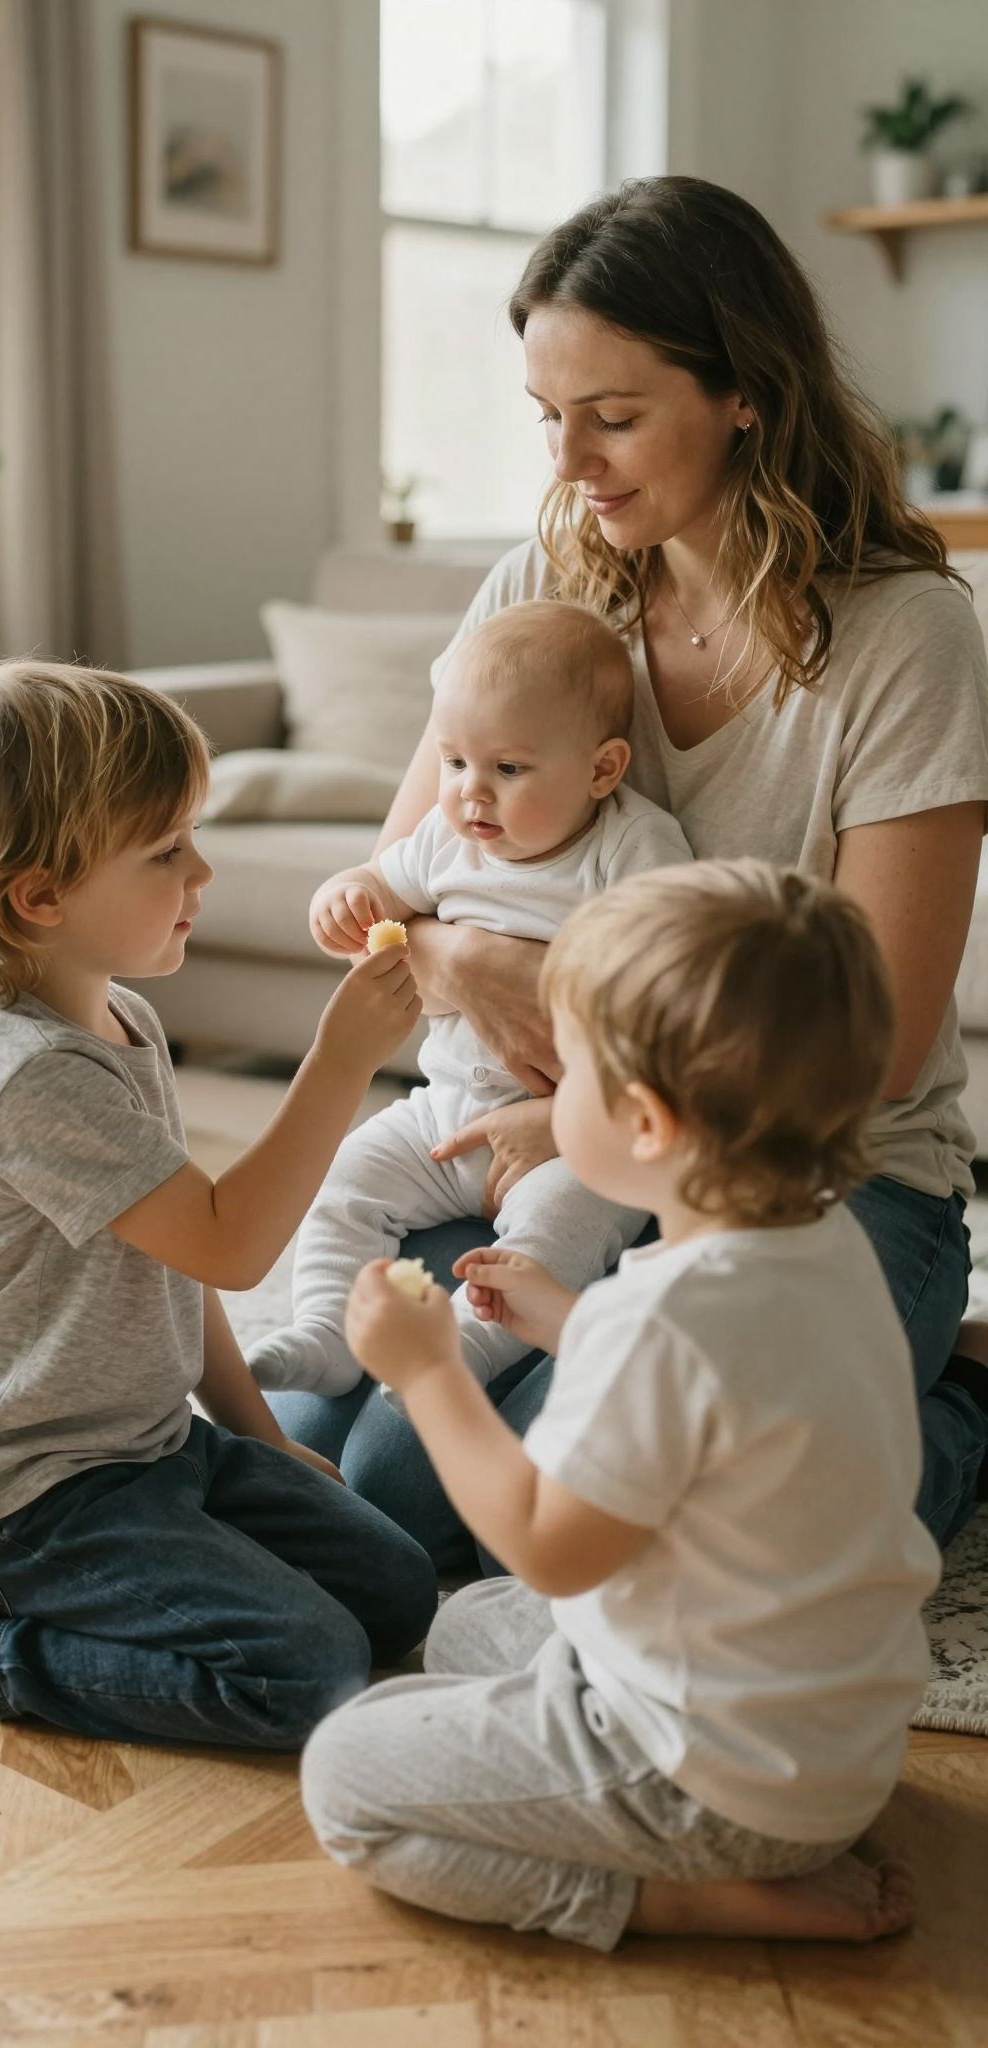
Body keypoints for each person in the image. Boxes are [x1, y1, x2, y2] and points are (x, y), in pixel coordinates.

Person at [270, 174, 988, 1564]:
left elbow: (884, 1047)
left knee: (546, 1519)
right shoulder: (537, 596)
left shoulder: (906, 640)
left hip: (819, 1182)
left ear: (746, 395)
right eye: (548, 417)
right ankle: (873, 1410)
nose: (568, 463)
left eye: (612, 418)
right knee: (351, 1467)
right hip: (526, 1152)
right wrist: (470, 966)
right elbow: (399, 905)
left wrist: (557, 1053)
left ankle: (944, 1419)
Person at [302, 859, 937, 1952]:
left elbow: (550, 1546)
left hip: (705, 1784)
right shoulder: (819, 1243)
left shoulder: (663, 1328)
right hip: (835, 1741)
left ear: (642, 1121)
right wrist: (557, 1314)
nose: (535, 1083)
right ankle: (754, 1840)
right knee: (464, 1623)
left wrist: (430, 1373)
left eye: (565, 1068)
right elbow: (718, 1389)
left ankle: (674, 1895)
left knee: (345, 1773)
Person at [0, 660, 438, 1747]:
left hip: (140, 1447)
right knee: (310, 1671)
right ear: (40, 894)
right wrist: (341, 1061)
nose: (202, 869)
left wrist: (258, 1435)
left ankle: (53, 1589)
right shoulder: (28, 1076)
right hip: (19, 1496)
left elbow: (178, 1260)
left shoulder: (124, 1023)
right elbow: (233, 1241)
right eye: (167, 850)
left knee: (396, 1589)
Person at [248, 598, 689, 1401]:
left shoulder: (632, 848)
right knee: (343, 1183)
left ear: (602, 769)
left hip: (574, 1139)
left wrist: (576, 1116)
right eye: (454, 764)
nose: (471, 794)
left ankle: (464, 1350)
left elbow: (669, 994)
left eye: (508, 769)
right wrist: (347, 894)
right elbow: (383, 886)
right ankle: (323, 1325)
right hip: (440, 1115)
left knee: (556, 1238)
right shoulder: (449, 841)